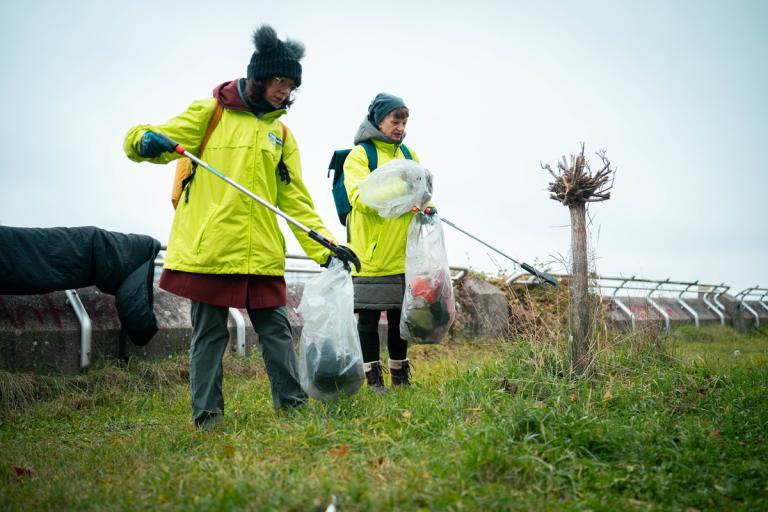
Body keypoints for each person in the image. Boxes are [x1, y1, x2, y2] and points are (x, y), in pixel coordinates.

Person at [123, 25, 359, 428]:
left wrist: (327, 247)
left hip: (262, 251)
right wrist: (144, 142)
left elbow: (294, 199)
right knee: (210, 334)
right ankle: (208, 416)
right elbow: (141, 137)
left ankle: (292, 406)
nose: (285, 91)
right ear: (258, 77)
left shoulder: (281, 134)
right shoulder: (210, 113)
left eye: (291, 85)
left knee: (278, 331)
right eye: (279, 81)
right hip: (211, 249)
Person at [343, 93, 435, 391]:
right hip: (371, 253)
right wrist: (402, 188)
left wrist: (426, 206)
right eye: (395, 120)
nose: (400, 126)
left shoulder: (408, 154)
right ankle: (373, 379)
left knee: (400, 317)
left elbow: (420, 191)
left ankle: (400, 375)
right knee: (368, 319)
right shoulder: (360, 155)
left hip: (404, 253)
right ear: (378, 120)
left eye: (404, 121)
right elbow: (359, 198)